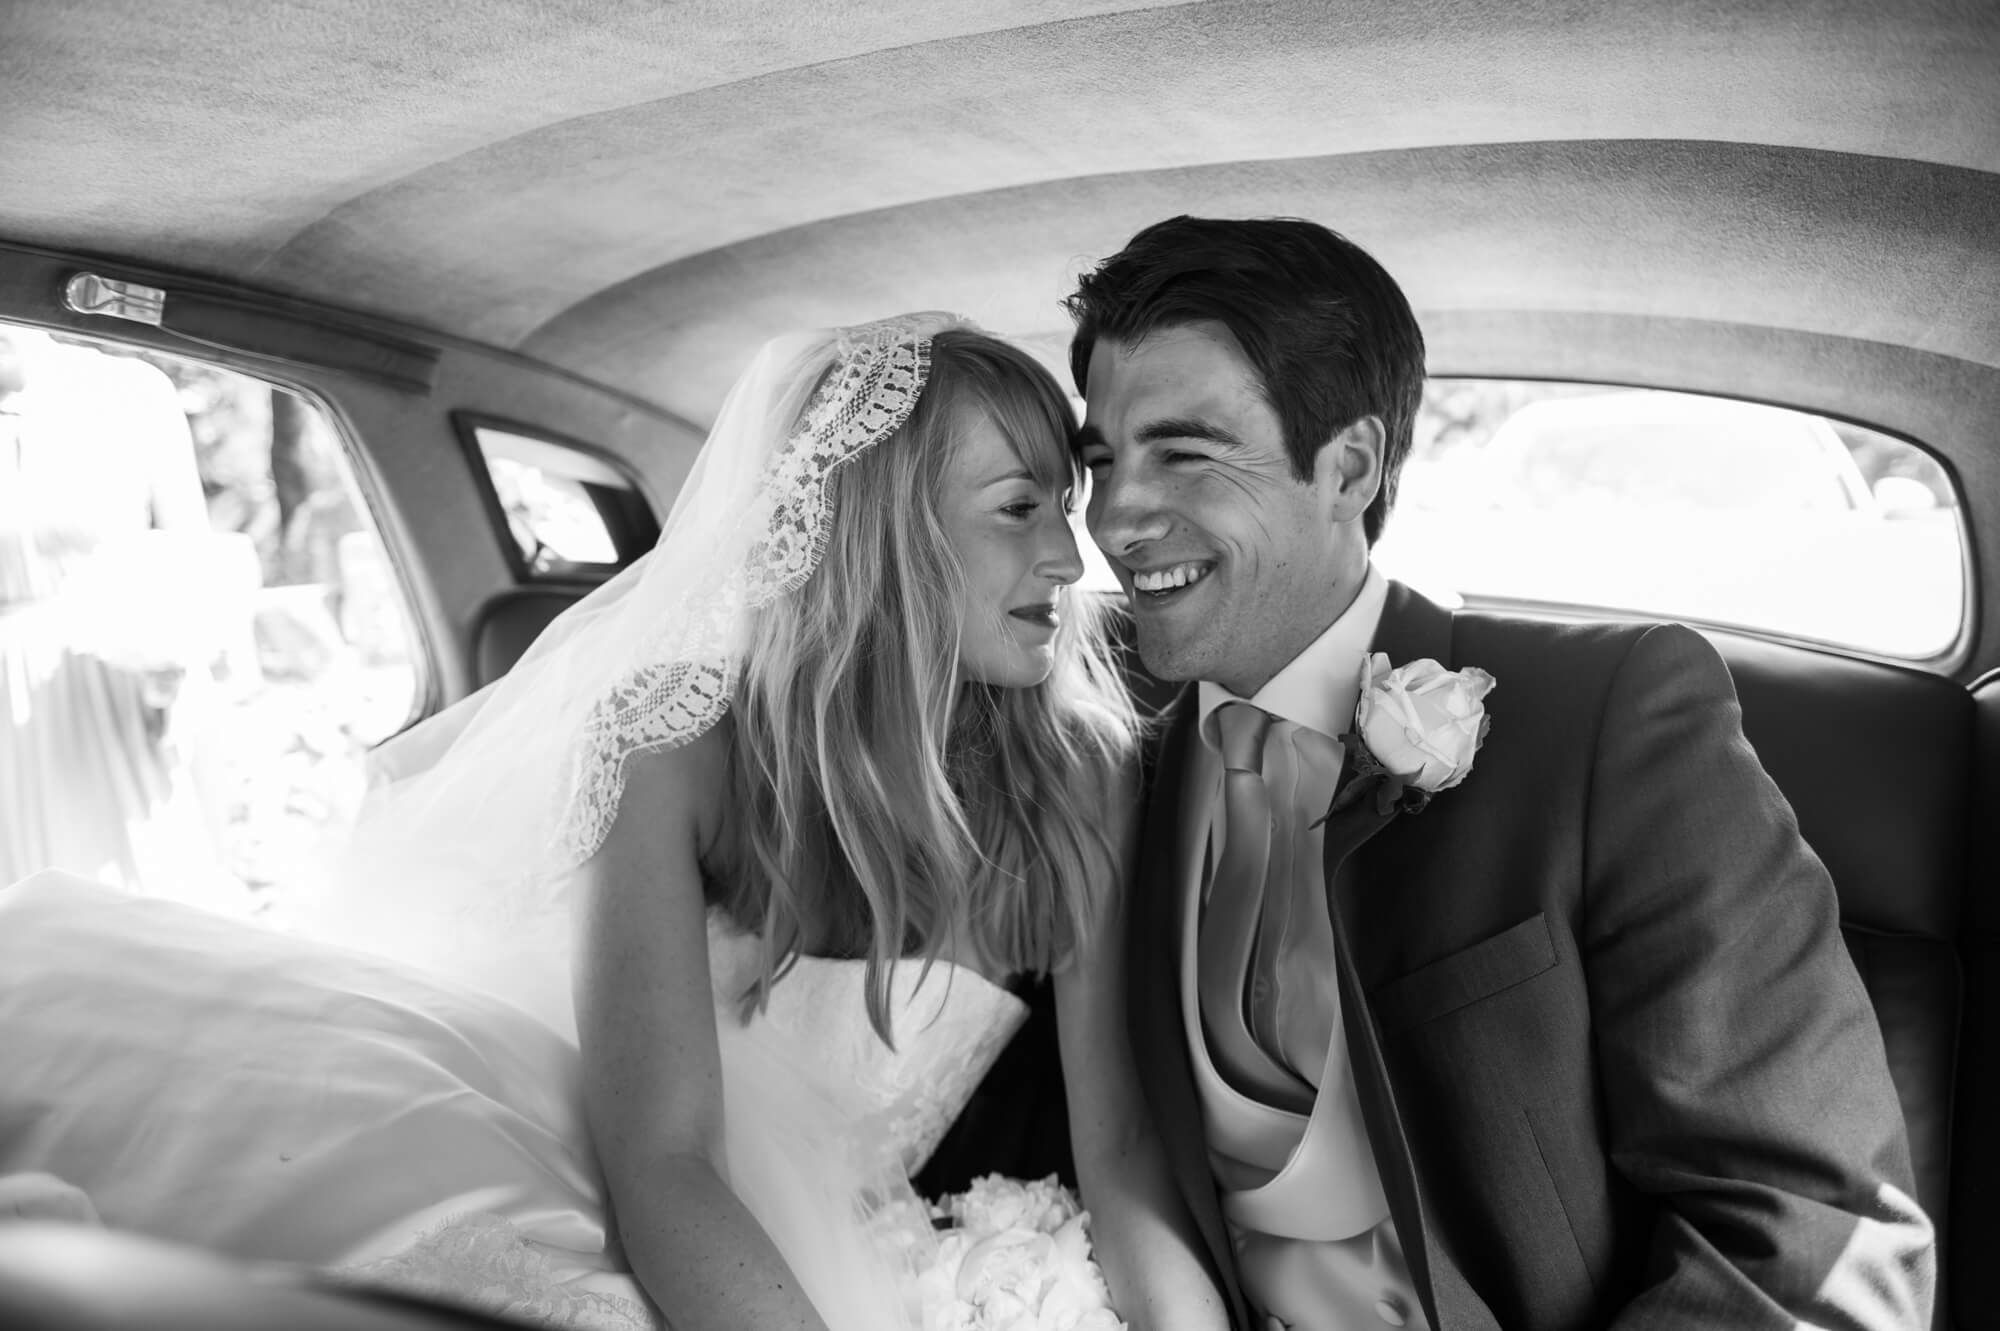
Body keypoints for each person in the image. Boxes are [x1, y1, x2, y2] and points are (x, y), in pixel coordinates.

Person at [0, 314, 1225, 1331]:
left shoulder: (1081, 769)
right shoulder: (668, 745)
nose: (1072, 558)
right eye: (1019, 508)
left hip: (879, 1246)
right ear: (884, 531)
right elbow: (665, 1156)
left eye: (1062, 507)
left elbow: (1116, 1151)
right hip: (619, 1177)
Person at [1065, 217, 1934, 1330]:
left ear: (1349, 466)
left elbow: (1809, 1237)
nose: (1114, 516)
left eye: (1181, 451)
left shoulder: (1608, 720)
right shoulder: (1097, 748)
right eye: (1099, 458)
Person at [0, 325, 221, 894]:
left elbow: (190, 557)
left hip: (121, 684)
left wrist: (175, 666)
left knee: (142, 893)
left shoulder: (128, 390)